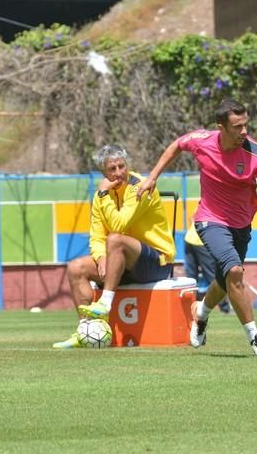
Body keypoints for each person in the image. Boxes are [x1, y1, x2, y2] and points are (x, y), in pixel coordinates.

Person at [137, 99, 257, 358]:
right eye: (237, 127)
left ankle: (201, 312)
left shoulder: (256, 155)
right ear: (221, 126)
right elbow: (177, 145)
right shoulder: (202, 141)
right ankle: (255, 338)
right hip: (209, 220)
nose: (244, 131)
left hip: (242, 225)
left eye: (245, 125)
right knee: (235, 271)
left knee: (225, 281)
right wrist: (152, 177)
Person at [53, 144, 175, 348]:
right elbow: (97, 235)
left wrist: (103, 196)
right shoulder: (101, 195)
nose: (119, 173)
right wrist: (101, 259)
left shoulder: (141, 187)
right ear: (103, 172)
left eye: (122, 166)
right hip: (122, 262)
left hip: (157, 261)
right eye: (112, 169)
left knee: (115, 239)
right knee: (76, 268)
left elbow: (119, 225)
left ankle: (105, 303)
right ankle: (86, 331)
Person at [183, 220, 231, 313]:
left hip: (193, 239)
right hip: (197, 240)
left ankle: (190, 307)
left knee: (194, 277)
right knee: (210, 276)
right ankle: (224, 308)